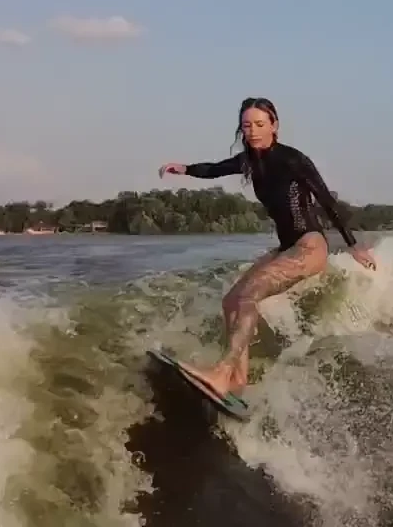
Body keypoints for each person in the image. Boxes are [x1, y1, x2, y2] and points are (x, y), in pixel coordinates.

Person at [158, 96, 376, 402]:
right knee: (231, 301)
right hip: (286, 247)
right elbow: (215, 169)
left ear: (274, 125)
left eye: (260, 124)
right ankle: (237, 381)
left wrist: (354, 246)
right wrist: (183, 168)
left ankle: (222, 372)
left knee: (248, 296)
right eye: (247, 126)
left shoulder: (292, 159)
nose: (253, 131)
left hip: (309, 245)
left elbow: (327, 201)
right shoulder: (249, 161)